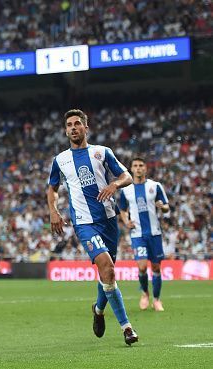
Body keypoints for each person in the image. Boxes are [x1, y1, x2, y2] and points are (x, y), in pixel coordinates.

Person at [46, 109, 139, 346]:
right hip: (84, 223)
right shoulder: (60, 160)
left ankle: (98, 310)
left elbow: (126, 175)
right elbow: (52, 188)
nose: (73, 128)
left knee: (106, 274)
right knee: (107, 266)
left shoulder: (101, 152)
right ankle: (127, 327)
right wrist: (53, 210)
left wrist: (114, 184)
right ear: (65, 130)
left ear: (86, 128)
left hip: (109, 220)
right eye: (69, 125)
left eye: (77, 123)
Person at [119, 157, 170, 311]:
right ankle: (145, 294)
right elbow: (122, 209)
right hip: (137, 234)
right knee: (141, 267)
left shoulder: (155, 186)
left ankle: (157, 299)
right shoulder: (126, 190)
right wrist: (126, 221)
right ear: (131, 169)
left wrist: (163, 207)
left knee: (155, 267)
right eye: (135, 166)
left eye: (141, 165)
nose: (138, 168)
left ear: (146, 168)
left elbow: (167, 206)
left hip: (154, 233)